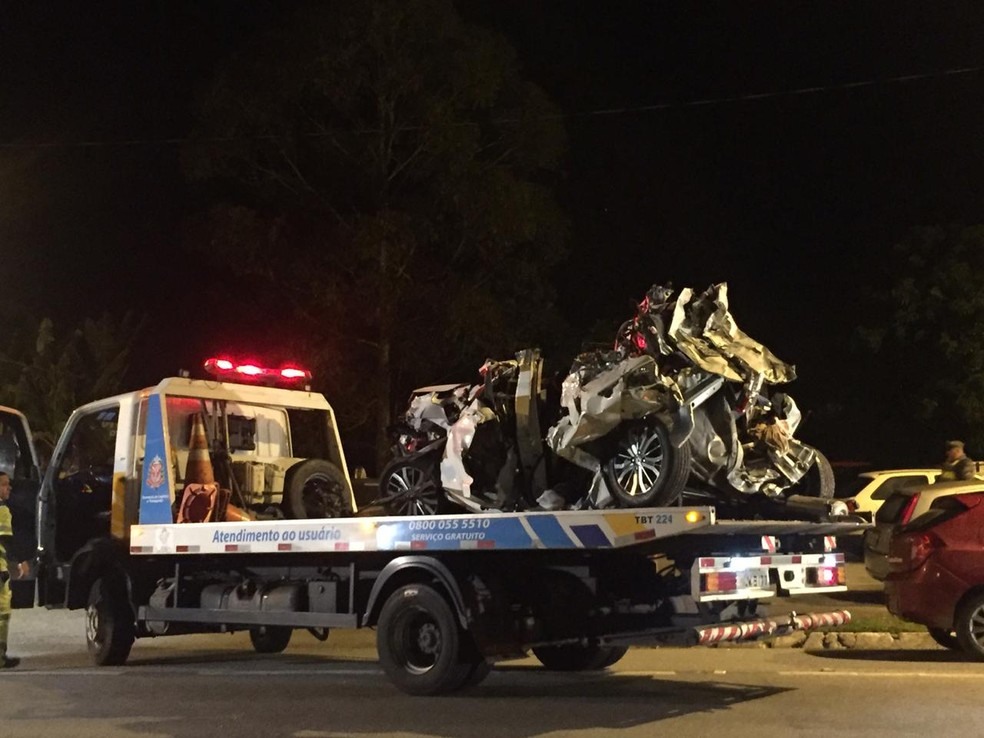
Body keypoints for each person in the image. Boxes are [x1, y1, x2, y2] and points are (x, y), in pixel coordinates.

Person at [0, 471, 30, 669]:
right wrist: (20, 560)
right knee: (2, 613)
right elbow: (6, 539)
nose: (9, 487)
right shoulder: (2, 510)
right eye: (4, 484)